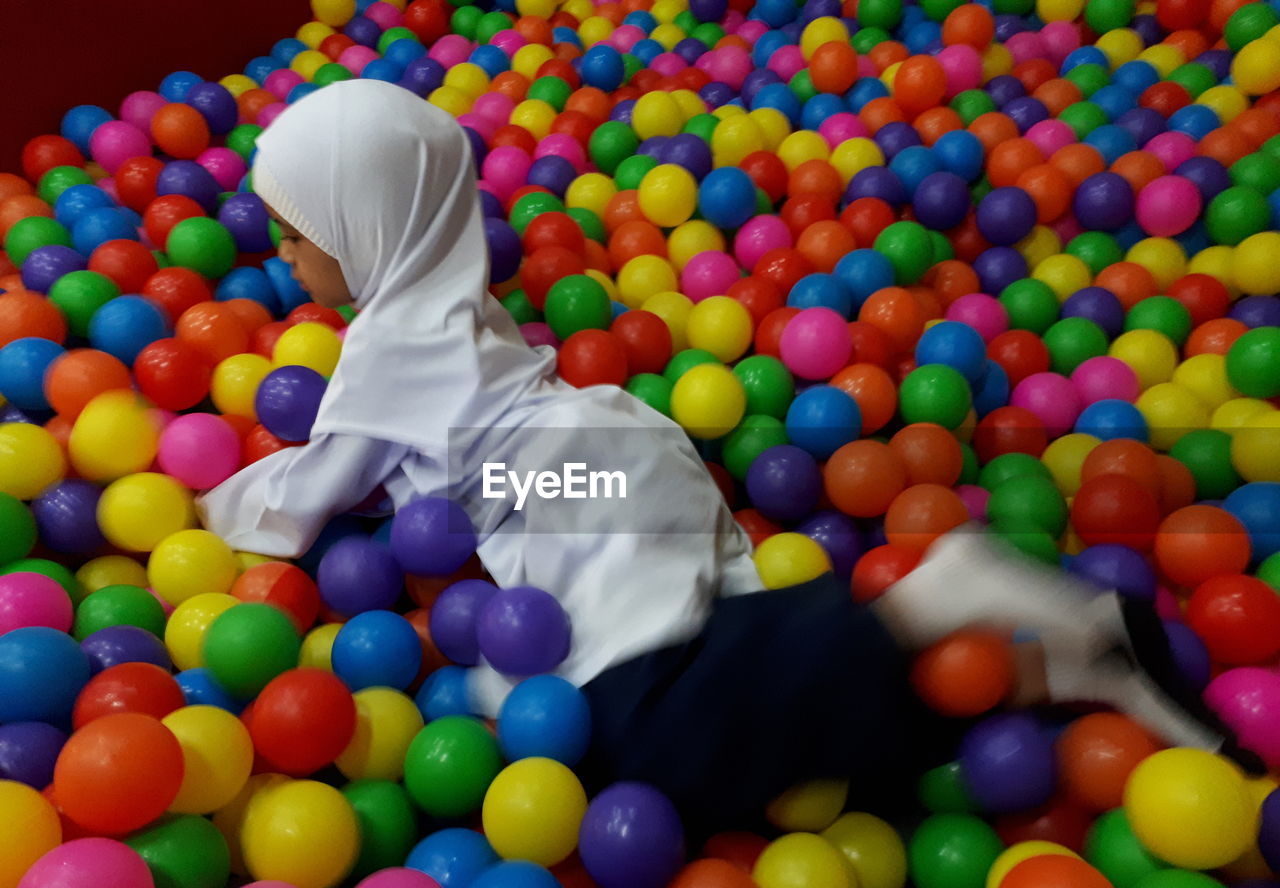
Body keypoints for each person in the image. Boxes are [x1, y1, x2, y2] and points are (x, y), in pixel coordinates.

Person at [199, 80, 1249, 828]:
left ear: (372, 226)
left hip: (561, 482)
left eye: (301, 233)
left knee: (641, 732)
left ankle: (937, 597)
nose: (282, 255)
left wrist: (215, 510)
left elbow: (313, 489)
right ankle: (1047, 664)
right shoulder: (443, 291)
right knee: (702, 642)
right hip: (610, 440)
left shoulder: (383, 349)